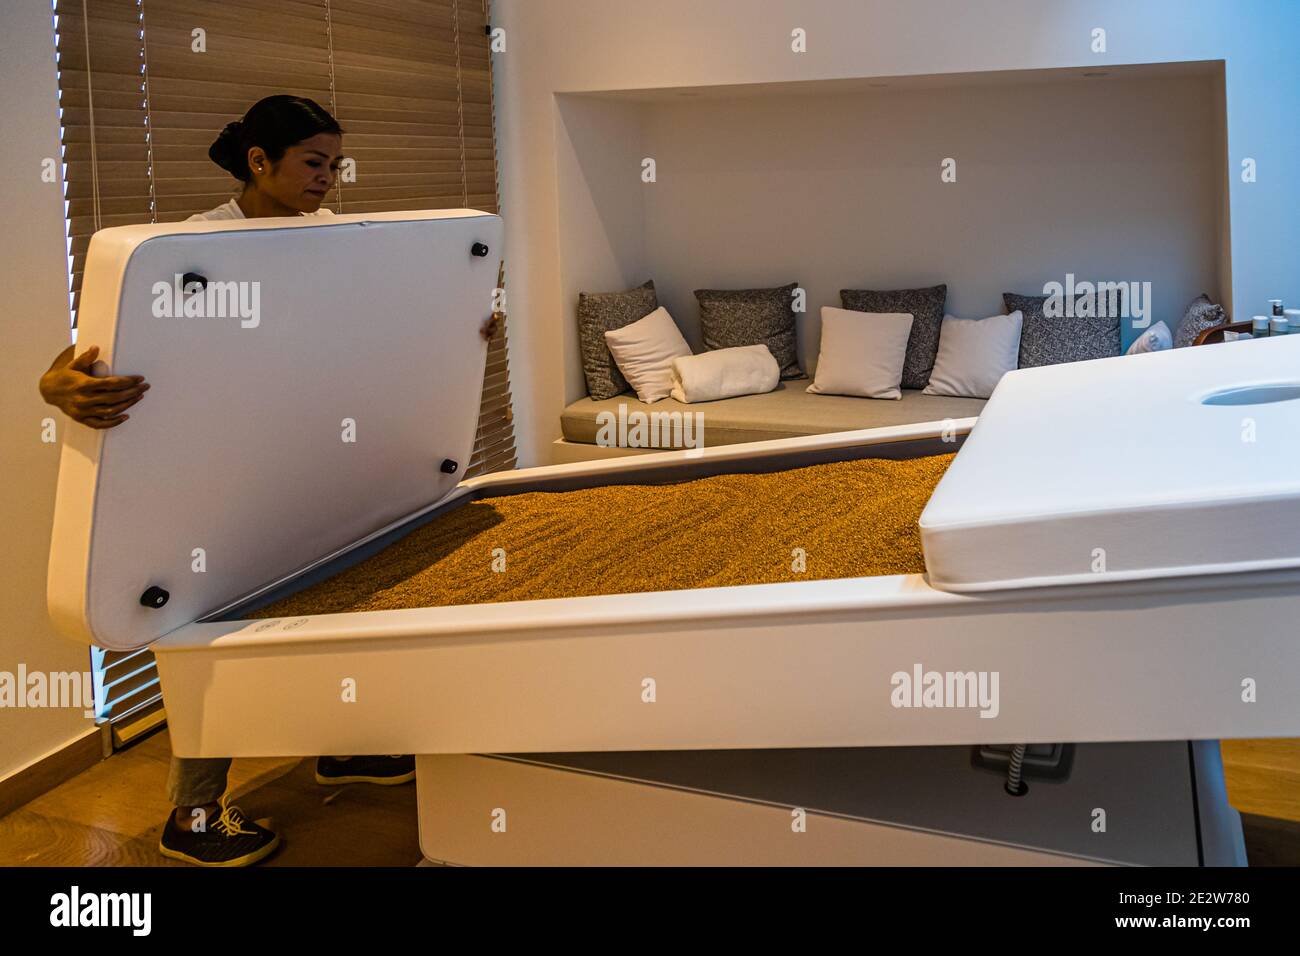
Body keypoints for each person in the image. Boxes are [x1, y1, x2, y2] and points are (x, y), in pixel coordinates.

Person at [39, 95, 499, 866]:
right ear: (260, 162)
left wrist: (462, 326)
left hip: (310, 461)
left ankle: (344, 746)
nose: (329, 178)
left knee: (336, 605)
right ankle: (193, 816)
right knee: (207, 634)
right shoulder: (192, 250)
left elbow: (374, 328)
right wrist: (59, 388)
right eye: (314, 163)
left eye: (334, 163)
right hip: (216, 478)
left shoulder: (331, 242)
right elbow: (84, 357)